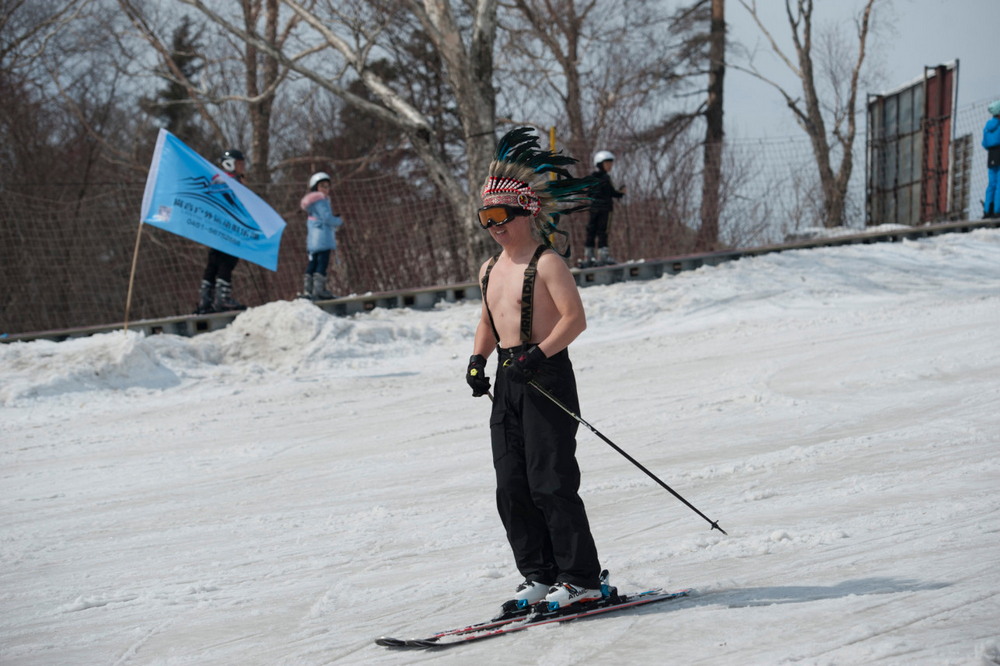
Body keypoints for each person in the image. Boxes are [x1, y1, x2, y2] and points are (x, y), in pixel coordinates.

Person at [466, 127, 604, 612]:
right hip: (508, 379)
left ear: (527, 211)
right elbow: (487, 317)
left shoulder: (548, 264)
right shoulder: (489, 269)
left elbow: (575, 320)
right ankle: (540, 575)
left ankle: (582, 577)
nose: (494, 225)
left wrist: (538, 355)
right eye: (486, 217)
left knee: (551, 481)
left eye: (501, 215)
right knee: (512, 485)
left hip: (545, 374)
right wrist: (478, 360)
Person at [196, 148, 248, 314]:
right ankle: (222, 299)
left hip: (214, 228)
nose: (242, 167)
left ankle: (206, 300)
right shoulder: (231, 182)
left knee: (214, 261)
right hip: (228, 229)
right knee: (227, 260)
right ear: (230, 164)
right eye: (239, 163)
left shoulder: (216, 180)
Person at [299, 171, 343, 300]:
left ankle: (308, 290)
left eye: (327, 186)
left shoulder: (311, 203)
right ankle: (318, 290)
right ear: (315, 187)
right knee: (322, 263)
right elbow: (326, 218)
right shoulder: (321, 200)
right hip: (323, 237)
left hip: (313, 239)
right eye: (322, 186)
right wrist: (339, 221)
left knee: (313, 262)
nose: (326, 189)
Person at [583, 150, 626, 267]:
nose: (610, 166)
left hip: (594, 208)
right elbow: (611, 192)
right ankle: (602, 256)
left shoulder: (592, 177)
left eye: (610, 163)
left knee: (591, 230)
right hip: (605, 209)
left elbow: (587, 191)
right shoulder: (606, 178)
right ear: (599, 164)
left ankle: (588, 256)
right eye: (607, 163)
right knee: (602, 231)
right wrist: (621, 193)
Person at [982, 100, 1000, 219]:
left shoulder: (987, 127)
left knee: (991, 184)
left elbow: (984, 143)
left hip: (991, 155)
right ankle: (998, 210)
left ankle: (988, 210)